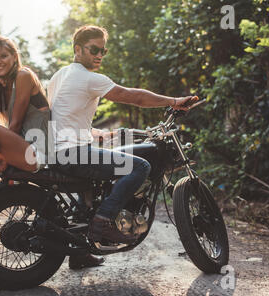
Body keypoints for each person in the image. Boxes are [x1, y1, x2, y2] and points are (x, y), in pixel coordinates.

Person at [0, 35, 103, 269]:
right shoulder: (0, 88)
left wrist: (4, 160)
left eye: (4, 56)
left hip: (37, 151)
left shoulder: (24, 76)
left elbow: (15, 125)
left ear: (14, 56)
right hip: (19, 147)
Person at [48, 25, 198, 244]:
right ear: (78, 49)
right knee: (140, 167)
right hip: (74, 153)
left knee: (95, 181)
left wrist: (102, 135)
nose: (100, 55)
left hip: (60, 151)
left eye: (103, 51)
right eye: (94, 50)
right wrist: (174, 101)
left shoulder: (59, 76)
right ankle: (103, 222)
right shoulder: (90, 78)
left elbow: (63, 116)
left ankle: (80, 253)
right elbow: (133, 97)